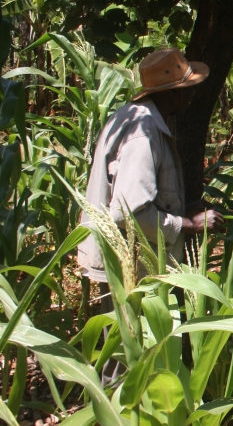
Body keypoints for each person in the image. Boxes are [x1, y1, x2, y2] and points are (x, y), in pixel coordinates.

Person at [77, 48, 224, 383]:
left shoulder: (135, 117)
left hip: (129, 259)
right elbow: (129, 212)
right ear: (172, 93)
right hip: (126, 264)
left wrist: (184, 209)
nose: (193, 93)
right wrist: (188, 224)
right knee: (126, 359)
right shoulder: (143, 132)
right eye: (189, 87)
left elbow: (137, 197)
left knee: (135, 353)